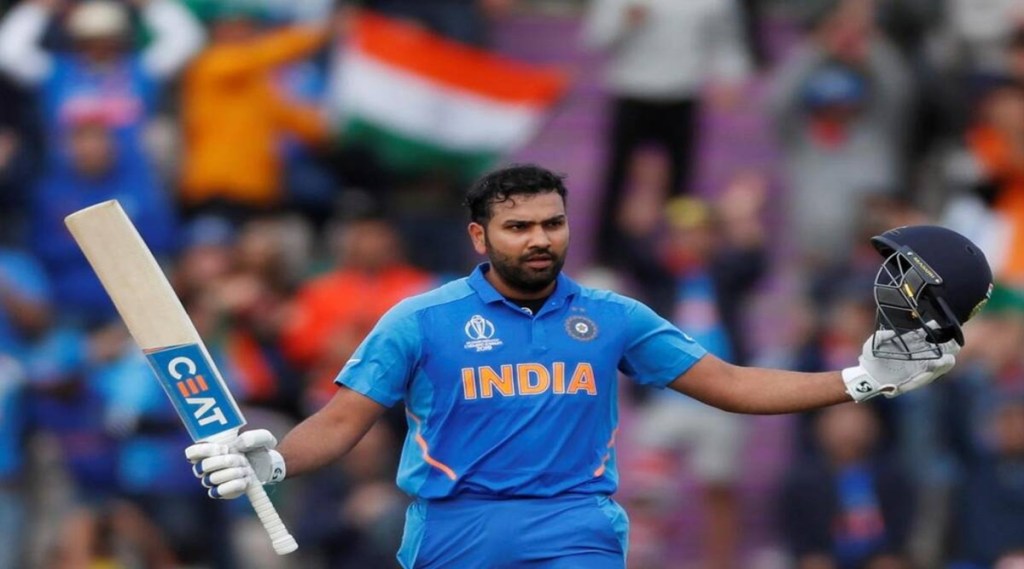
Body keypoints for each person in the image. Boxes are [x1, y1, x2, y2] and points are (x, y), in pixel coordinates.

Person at [185, 164, 991, 568]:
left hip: (574, 523)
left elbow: (731, 384)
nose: (540, 238)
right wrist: (273, 458)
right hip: (456, 526)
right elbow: (341, 423)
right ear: (480, 237)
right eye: (519, 227)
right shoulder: (420, 319)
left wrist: (858, 379)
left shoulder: (612, 316)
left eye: (553, 223)